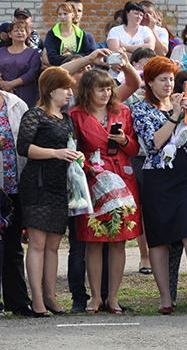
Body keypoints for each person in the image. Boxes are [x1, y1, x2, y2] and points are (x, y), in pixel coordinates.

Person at [131, 57, 187, 315]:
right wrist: (175, 115)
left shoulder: (185, 104)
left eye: (171, 78)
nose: (168, 84)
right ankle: (165, 296)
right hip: (157, 177)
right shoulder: (141, 110)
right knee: (158, 238)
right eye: (162, 79)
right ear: (150, 82)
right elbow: (154, 143)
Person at [70, 69, 141, 314]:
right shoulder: (76, 114)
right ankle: (95, 298)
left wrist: (123, 141)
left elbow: (133, 149)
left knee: (119, 240)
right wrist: (89, 169)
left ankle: (113, 298)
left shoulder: (122, 111)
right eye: (100, 88)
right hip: (93, 181)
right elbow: (74, 150)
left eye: (108, 88)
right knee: (93, 240)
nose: (105, 93)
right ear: (88, 90)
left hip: (121, 180)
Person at [16, 67, 81, 316]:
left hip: (59, 185)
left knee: (54, 245)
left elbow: (71, 146)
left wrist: (77, 156)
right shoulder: (35, 115)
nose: (69, 92)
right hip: (37, 184)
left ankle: (51, 297)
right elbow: (24, 147)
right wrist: (55, 153)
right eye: (65, 87)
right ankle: (38, 300)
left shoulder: (66, 118)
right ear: (51, 89)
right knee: (37, 243)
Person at [0, 85, 34, 315]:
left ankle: (18, 302)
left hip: (13, 187)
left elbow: (26, 141)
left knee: (13, 247)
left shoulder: (15, 103)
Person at [0, 20, 41, 108]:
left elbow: (32, 73)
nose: (19, 33)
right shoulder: (1, 51)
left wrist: (12, 84)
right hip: (3, 93)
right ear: (9, 34)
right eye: (16, 30)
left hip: (25, 93)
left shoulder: (33, 53)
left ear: (27, 34)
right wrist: (2, 84)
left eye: (22, 30)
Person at [44, 2, 96, 66]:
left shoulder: (81, 33)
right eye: (60, 14)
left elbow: (89, 54)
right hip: (60, 69)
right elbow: (52, 58)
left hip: (79, 69)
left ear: (73, 15)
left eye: (65, 14)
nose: (62, 17)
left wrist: (72, 54)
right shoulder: (52, 34)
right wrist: (73, 59)